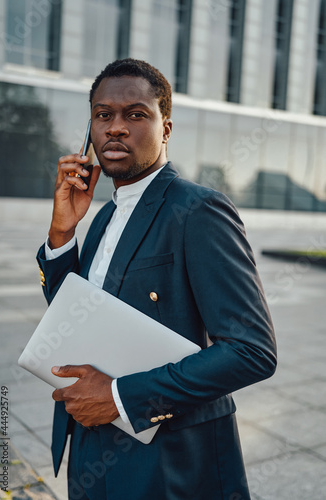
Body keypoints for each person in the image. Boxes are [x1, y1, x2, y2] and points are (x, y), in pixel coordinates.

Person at [37, 58, 277, 500]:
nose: (116, 128)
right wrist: (61, 233)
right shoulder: (104, 214)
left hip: (169, 461)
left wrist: (121, 397)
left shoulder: (198, 210)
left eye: (136, 114)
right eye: (103, 115)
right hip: (90, 442)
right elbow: (72, 315)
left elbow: (251, 351)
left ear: (165, 129)